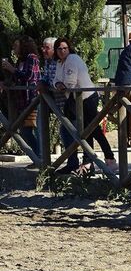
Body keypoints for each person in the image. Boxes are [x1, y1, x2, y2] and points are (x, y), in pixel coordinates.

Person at [53, 38, 116, 175]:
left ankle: (109, 158)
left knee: (93, 130)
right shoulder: (59, 63)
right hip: (75, 99)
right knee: (82, 130)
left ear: (69, 48)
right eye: (59, 49)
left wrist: (62, 85)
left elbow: (70, 82)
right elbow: (56, 80)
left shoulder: (73, 59)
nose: (62, 51)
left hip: (87, 98)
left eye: (65, 48)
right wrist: (58, 85)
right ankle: (88, 162)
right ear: (56, 51)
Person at [37, 37, 77, 173]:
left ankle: (80, 164)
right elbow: (47, 78)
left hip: (71, 102)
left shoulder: (59, 62)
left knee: (73, 132)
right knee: (68, 132)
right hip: (60, 104)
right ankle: (74, 163)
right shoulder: (49, 63)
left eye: (46, 48)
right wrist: (42, 82)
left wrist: (46, 84)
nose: (43, 50)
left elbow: (56, 80)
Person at [2, 36, 41, 162]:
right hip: (21, 102)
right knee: (24, 132)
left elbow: (28, 77)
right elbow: (16, 78)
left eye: (15, 46)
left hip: (32, 99)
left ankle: (40, 159)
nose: (13, 49)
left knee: (34, 130)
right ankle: (37, 158)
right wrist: (6, 82)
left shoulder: (32, 58)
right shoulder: (20, 60)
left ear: (23, 46)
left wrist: (11, 68)